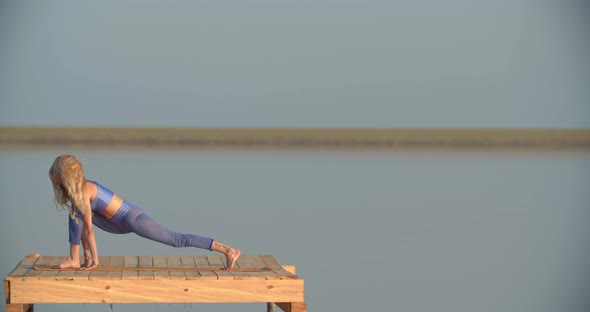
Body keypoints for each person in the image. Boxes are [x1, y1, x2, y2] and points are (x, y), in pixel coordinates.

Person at [48, 154, 241, 270]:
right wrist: (87, 259)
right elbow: (82, 227)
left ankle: (227, 250)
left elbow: (88, 230)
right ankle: (75, 259)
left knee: (176, 239)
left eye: (55, 171)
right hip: (112, 221)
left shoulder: (84, 191)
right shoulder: (77, 195)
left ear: (64, 176)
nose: (51, 174)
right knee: (75, 213)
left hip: (131, 218)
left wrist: (96, 261)